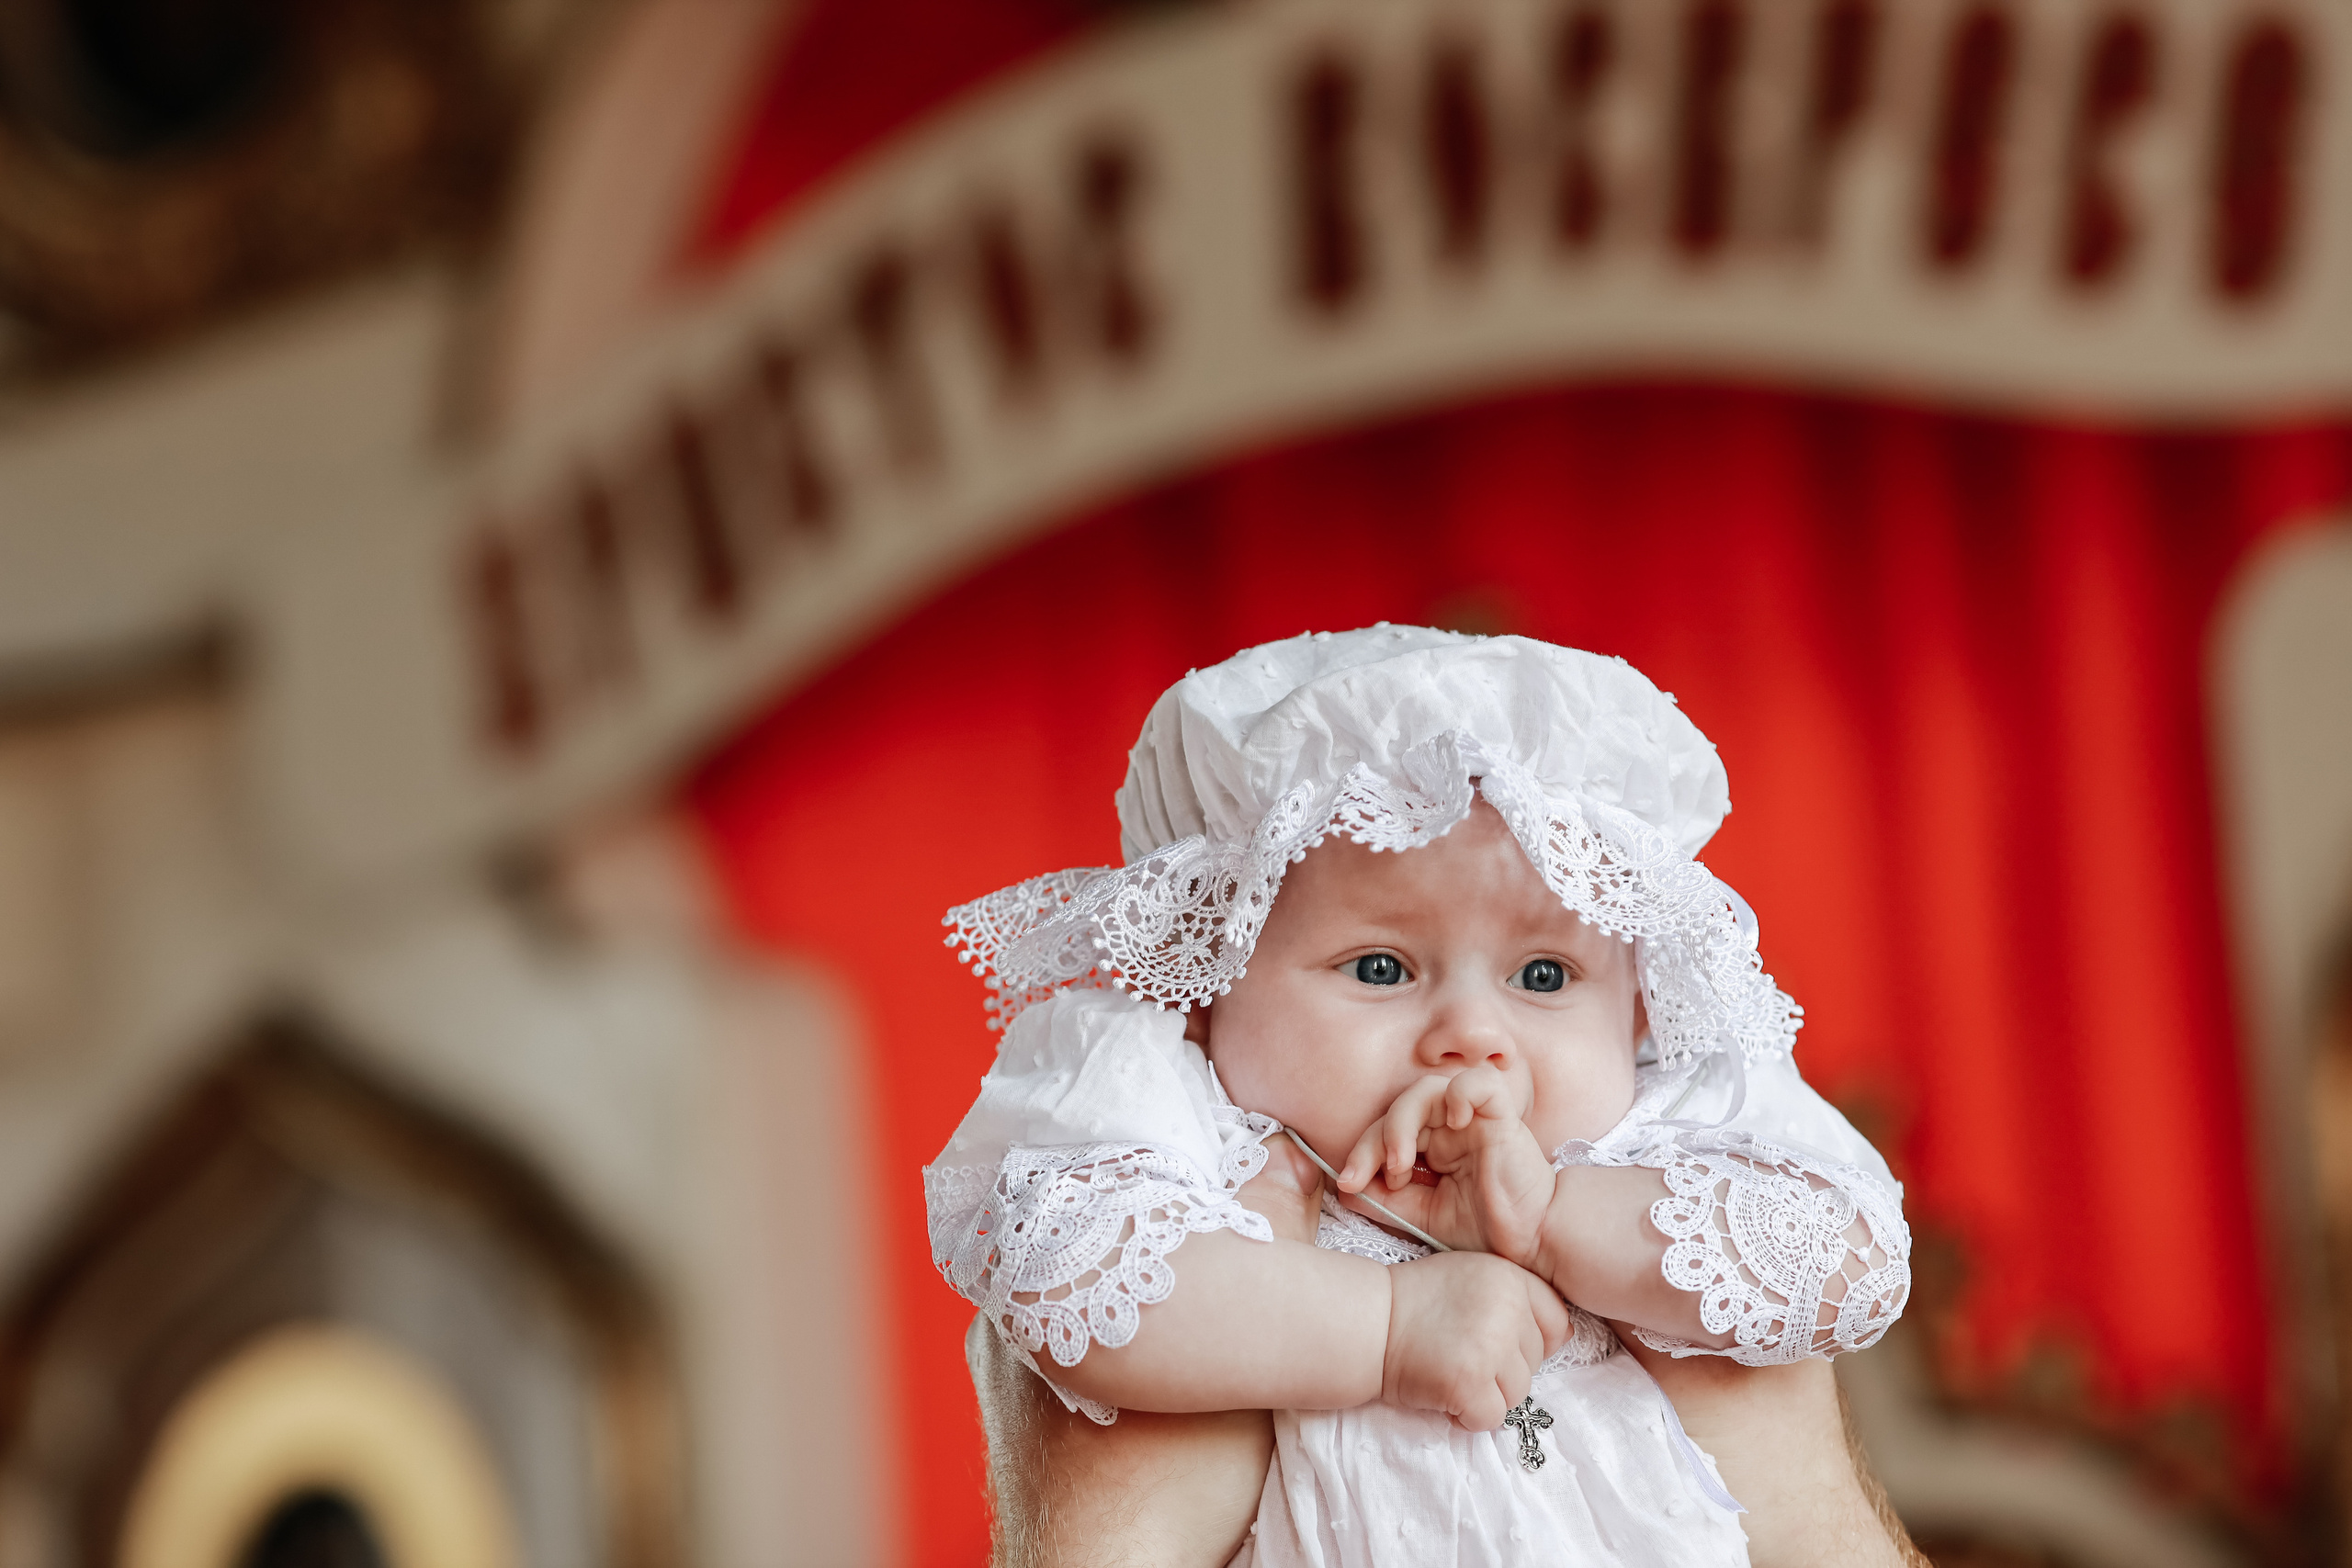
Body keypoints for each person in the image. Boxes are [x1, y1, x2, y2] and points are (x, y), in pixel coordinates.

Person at [926, 627, 1916, 1565]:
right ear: (1203, 989)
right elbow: (1075, 1284)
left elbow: (1848, 1269)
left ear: (1643, 1012)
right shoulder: (1193, 1131)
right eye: (1380, 966)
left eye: (1542, 977)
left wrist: (1555, 1225)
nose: (1470, 1035)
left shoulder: (1650, 1132)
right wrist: (1387, 1328)